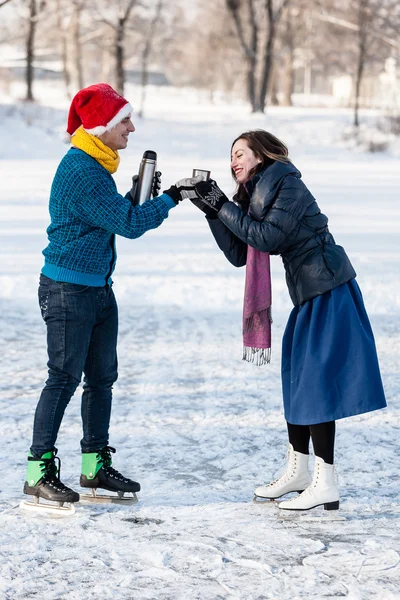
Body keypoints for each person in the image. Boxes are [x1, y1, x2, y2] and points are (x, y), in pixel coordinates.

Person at [176, 129, 387, 512]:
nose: (233, 161)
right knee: (296, 381)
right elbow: (242, 251)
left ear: (262, 154)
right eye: (231, 156)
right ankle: (299, 469)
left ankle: (326, 480)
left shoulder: (287, 184)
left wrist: (222, 204)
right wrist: (212, 210)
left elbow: (268, 238)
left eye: (240, 153)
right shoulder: (257, 195)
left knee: (315, 386)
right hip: (309, 292)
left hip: (329, 289)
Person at [24, 83, 186, 508]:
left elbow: (112, 218)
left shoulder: (96, 166)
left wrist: (135, 198)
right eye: (123, 121)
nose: (131, 128)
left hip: (96, 287)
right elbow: (129, 225)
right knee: (63, 378)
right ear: (101, 127)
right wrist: (170, 198)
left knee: (101, 379)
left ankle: (94, 466)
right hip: (68, 289)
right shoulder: (81, 169)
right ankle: (37, 470)